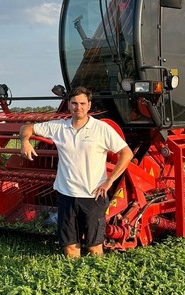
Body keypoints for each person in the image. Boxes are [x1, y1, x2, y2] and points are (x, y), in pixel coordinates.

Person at [20, 86, 132, 258]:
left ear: (89, 105)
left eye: (82, 103)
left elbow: (126, 153)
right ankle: (73, 273)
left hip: (93, 196)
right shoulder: (59, 127)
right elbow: (27, 127)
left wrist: (109, 181)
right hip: (66, 195)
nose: (78, 107)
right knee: (70, 250)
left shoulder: (101, 129)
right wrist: (25, 141)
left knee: (94, 249)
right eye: (74, 103)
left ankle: (96, 274)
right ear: (68, 105)